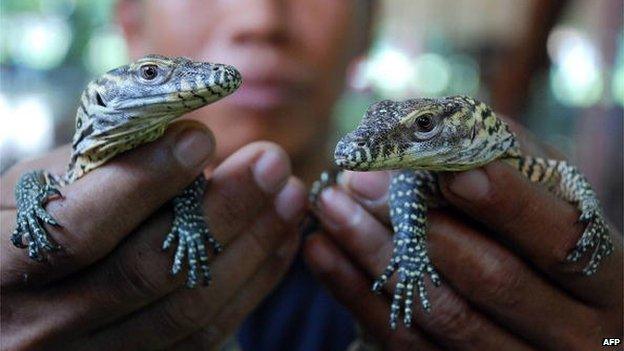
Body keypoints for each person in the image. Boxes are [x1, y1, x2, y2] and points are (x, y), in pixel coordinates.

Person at [1, 1, 621, 350]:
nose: (260, 16)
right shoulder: (26, 206)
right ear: (129, 20)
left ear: (367, 27)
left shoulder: (443, 209)